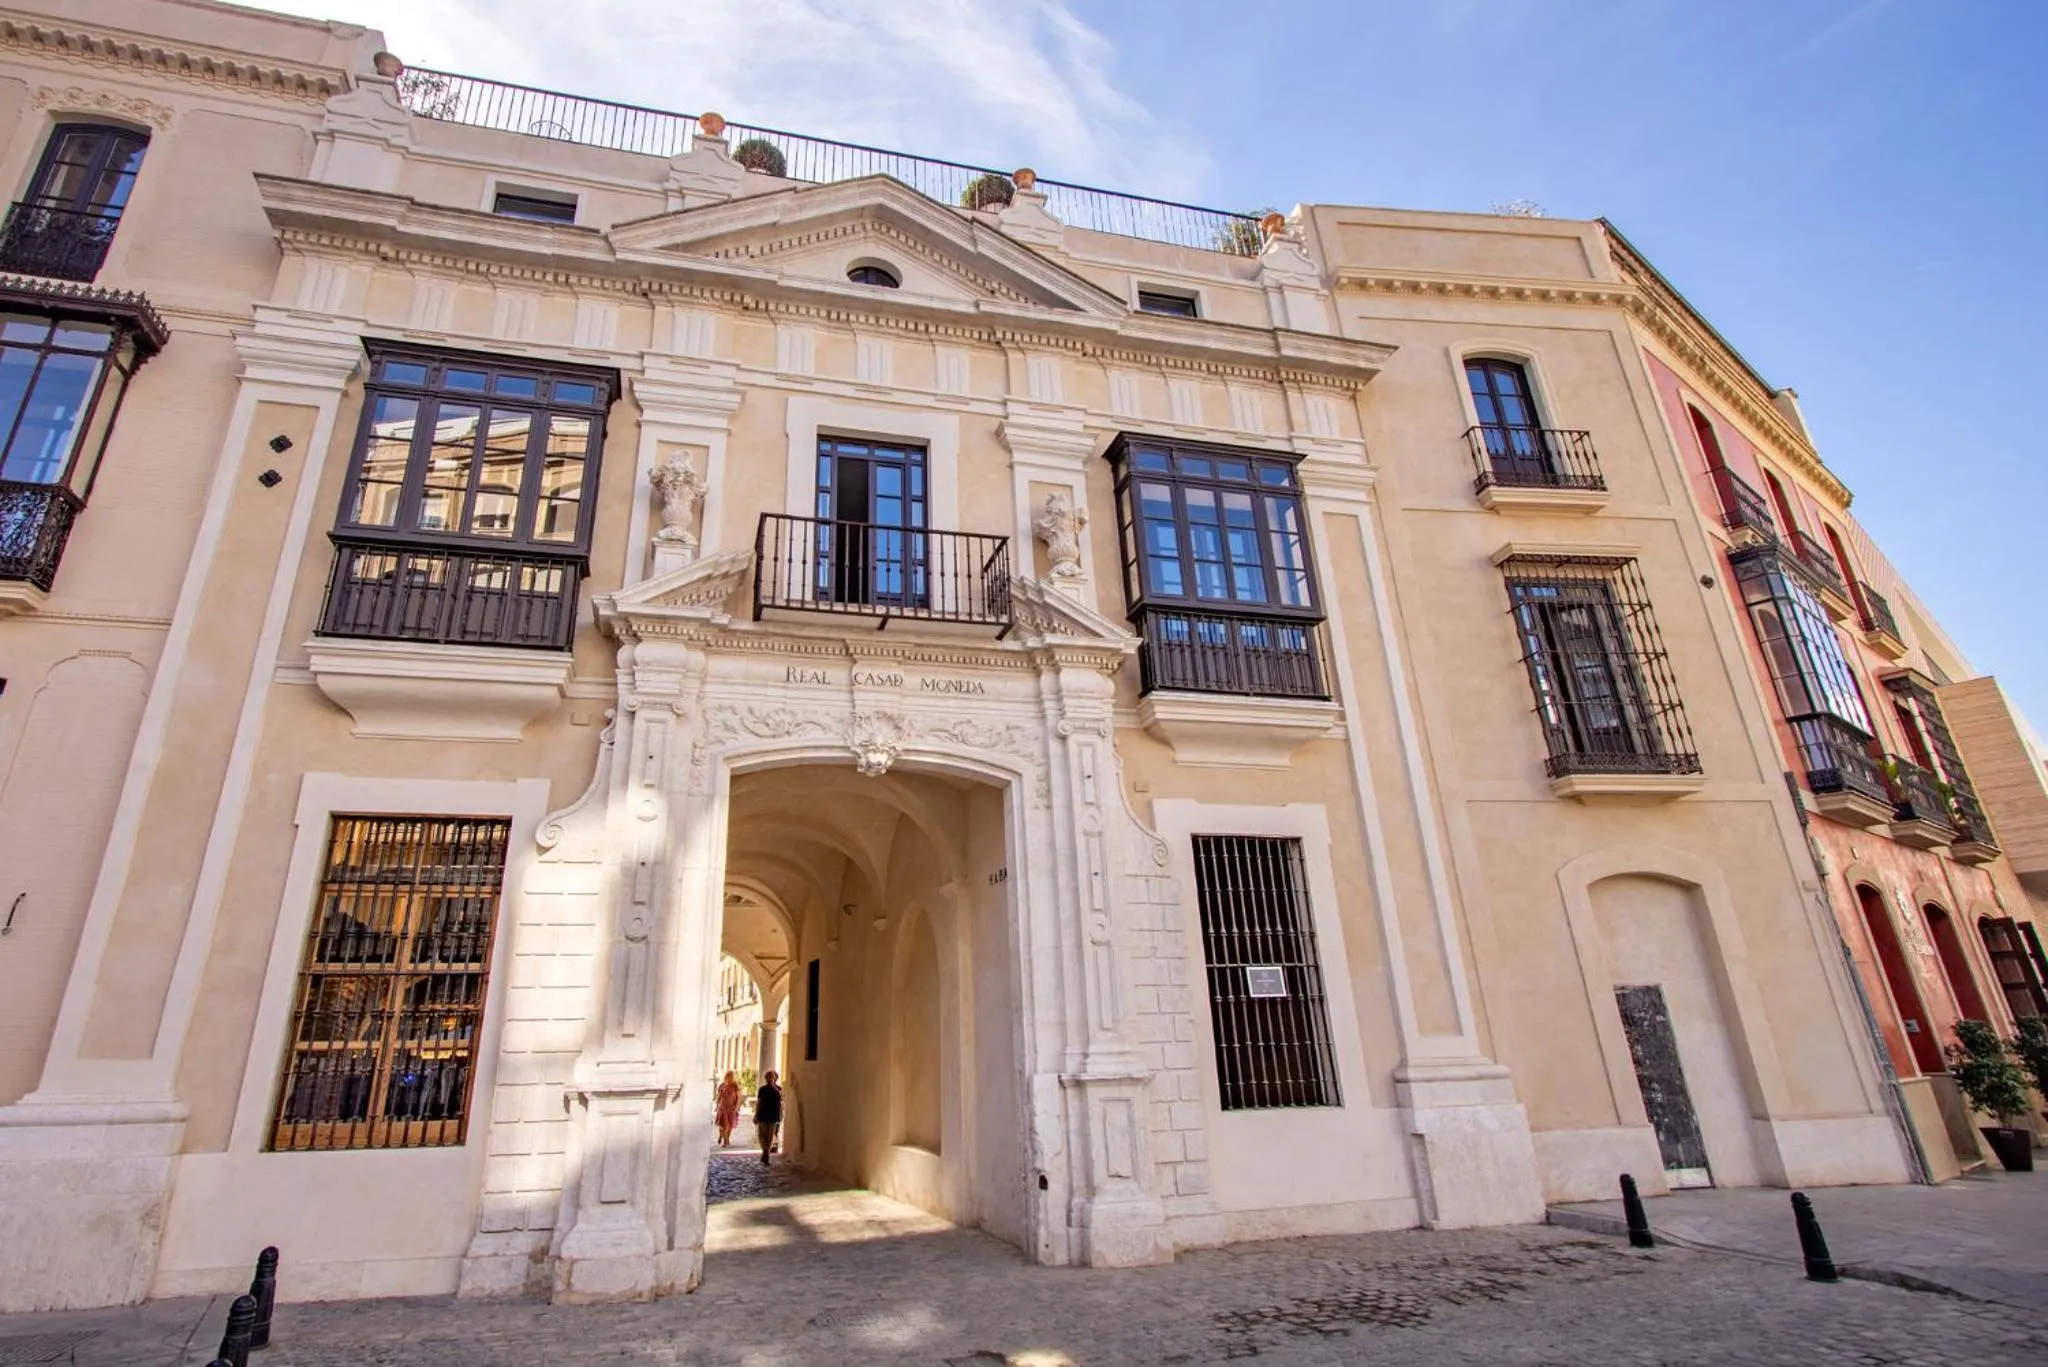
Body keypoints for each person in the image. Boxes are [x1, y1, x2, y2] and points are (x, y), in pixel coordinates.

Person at [754, 1070, 783, 1165]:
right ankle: (766, 1151)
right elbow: (780, 1105)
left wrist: (756, 1114)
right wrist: (779, 1115)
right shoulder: (777, 1091)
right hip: (773, 1115)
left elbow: (759, 1103)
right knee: (770, 1136)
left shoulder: (762, 1089)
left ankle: (765, 1150)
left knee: (762, 1135)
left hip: (763, 1114)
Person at [714, 1070, 742, 1147]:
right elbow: (719, 1096)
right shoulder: (722, 1085)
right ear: (726, 1077)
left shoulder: (735, 1086)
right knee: (722, 1124)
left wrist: (736, 1107)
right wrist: (717, 1105)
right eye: (728, 1076)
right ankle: (722, 1137)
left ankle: (726, 1139)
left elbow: (739, 1097)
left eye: (731, 1076)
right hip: (722, 1107)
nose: (729, 1078)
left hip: (731, 1108)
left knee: (729, 1125)